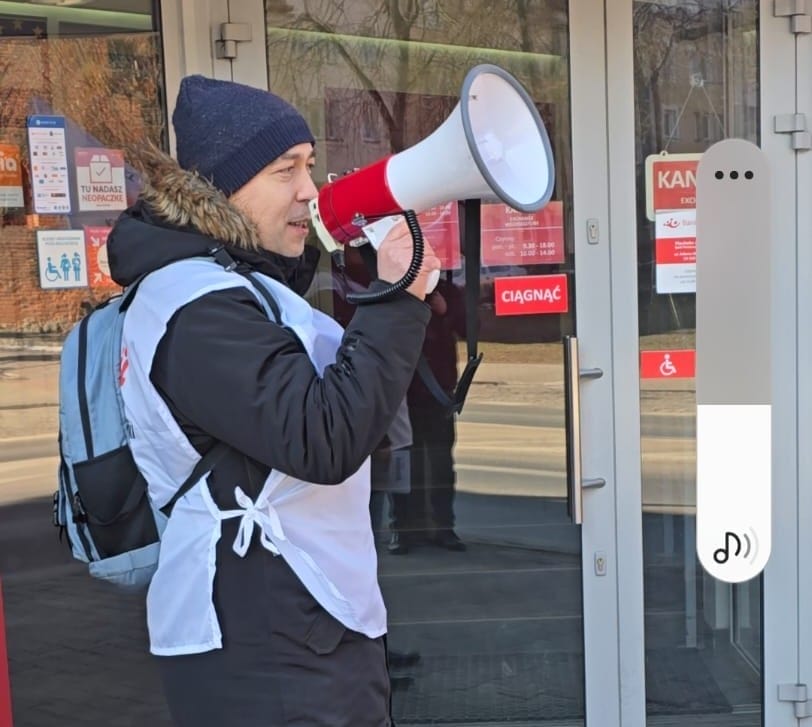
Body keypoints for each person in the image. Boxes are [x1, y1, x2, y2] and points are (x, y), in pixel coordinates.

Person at [106, 75, 439, 727]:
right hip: (263, 636)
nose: (309, 191)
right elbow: (324, 436)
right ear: (220, 187)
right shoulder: (195, 308)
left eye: (310, 167)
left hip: (304, 620)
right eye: (286, 169)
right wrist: (397, 300)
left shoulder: (236, 288)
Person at [388, 276, 467, 554]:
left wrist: (446, 312)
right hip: (402, 396)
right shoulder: (392, 287)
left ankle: (443, 528)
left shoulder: (446, 291)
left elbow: (471, 329)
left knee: (440, 466)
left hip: (437, 394)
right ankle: (404, 530)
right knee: (403, 466)